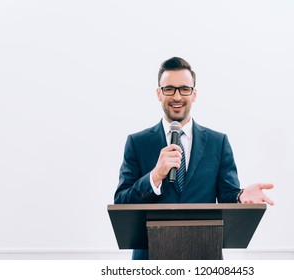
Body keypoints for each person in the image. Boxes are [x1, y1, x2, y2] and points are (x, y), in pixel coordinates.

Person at [114, 57, 274, 259]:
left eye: (184, 89)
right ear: (158, 93)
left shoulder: (218, 142)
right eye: (169, 89)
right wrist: (154, 177)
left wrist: (240, 196)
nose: (177, 96)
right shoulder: (137, 143)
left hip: (204, 255)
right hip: (150, 258)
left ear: (194, 93)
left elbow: (227, 195)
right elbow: (121, 202)